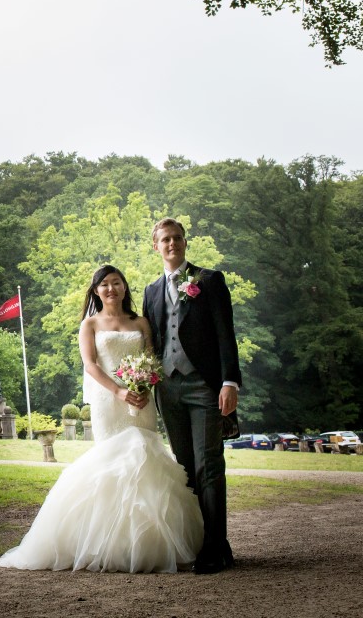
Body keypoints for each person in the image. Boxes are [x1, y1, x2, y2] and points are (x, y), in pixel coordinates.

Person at [0, 265, 203, 573]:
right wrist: (119, 391)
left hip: (141, 400)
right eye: (104, 284)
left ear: (124, 287)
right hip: (109, 401)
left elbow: (151, 359)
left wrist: (143, 387)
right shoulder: (90, 324)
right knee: (113, 465)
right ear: (96, 291)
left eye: (116, 283)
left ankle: (146, 544)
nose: (111, 288)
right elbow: (91, 365)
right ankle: (109, 545)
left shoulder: (141, 322)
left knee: (145, 460)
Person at [143, 217, 241, 574]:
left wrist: (230, 382)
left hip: (204, 386)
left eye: (177, 238)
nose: (172, 244)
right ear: (156, 246)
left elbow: (225, 333)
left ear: (185, 242)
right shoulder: (151, 291)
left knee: (208, 465)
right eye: (165, 239)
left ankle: (214, 549)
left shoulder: (209, 280)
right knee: (184, 467)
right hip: (168, 388)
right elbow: (152, 340)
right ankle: (205, 543)